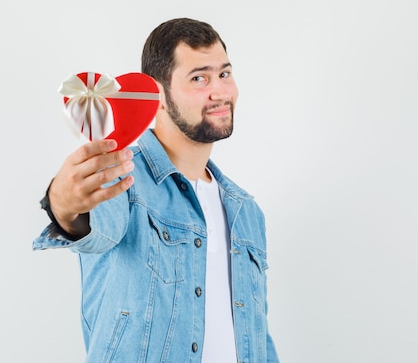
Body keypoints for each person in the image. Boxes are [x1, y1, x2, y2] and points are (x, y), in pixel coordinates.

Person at [33, 18, 279, 363]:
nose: (220, 91)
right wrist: (61, 203)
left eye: (224, 74)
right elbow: (88, 224)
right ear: (157, 96)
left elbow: (258, 335)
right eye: (199, 78)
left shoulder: (246, 212)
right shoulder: (121, 176)